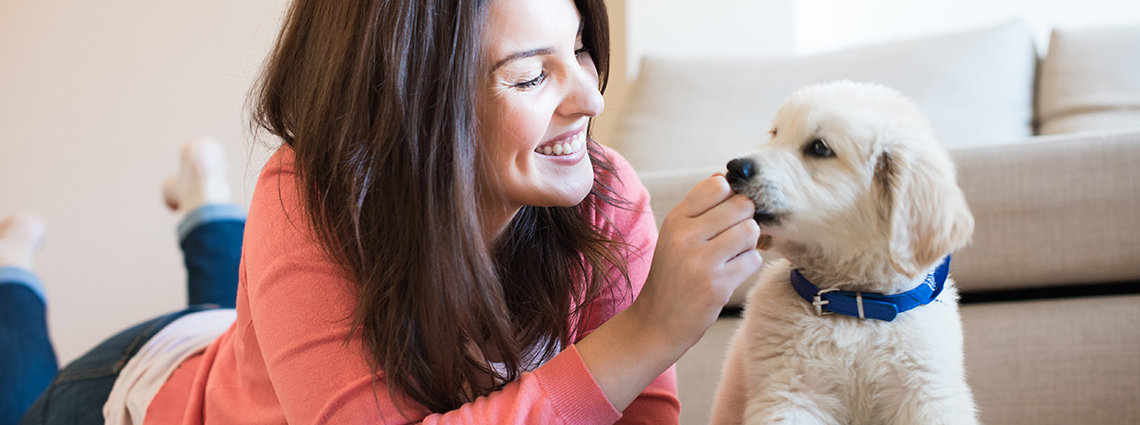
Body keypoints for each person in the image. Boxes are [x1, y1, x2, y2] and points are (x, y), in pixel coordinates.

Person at [3, 0, 763, 423]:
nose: (592, 100)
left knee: (238, 314)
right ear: (414, 105)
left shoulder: (607, 194)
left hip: (253, 348)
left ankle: (203, 198)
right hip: (135, 394)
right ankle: (16, 265)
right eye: (533, 76)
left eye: (581, 50)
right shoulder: (310, 192)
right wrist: (648, 330)